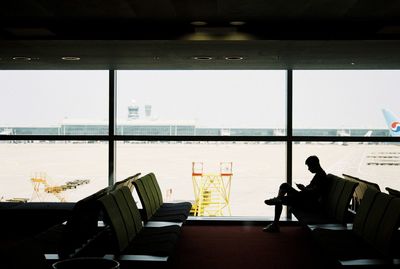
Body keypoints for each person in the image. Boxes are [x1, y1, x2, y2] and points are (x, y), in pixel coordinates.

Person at [263, 155, 327, 232]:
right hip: (304, 198)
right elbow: (313, 190)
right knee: (285, 185)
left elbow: (315, 193)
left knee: (282, 193)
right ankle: (278, 200)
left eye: (309, 166)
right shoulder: (320, 175)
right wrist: (304, 188)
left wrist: (304, 189)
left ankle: (275, 223)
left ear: (315, 165)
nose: (308, 169)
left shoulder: (321, 176)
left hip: (307, 202)